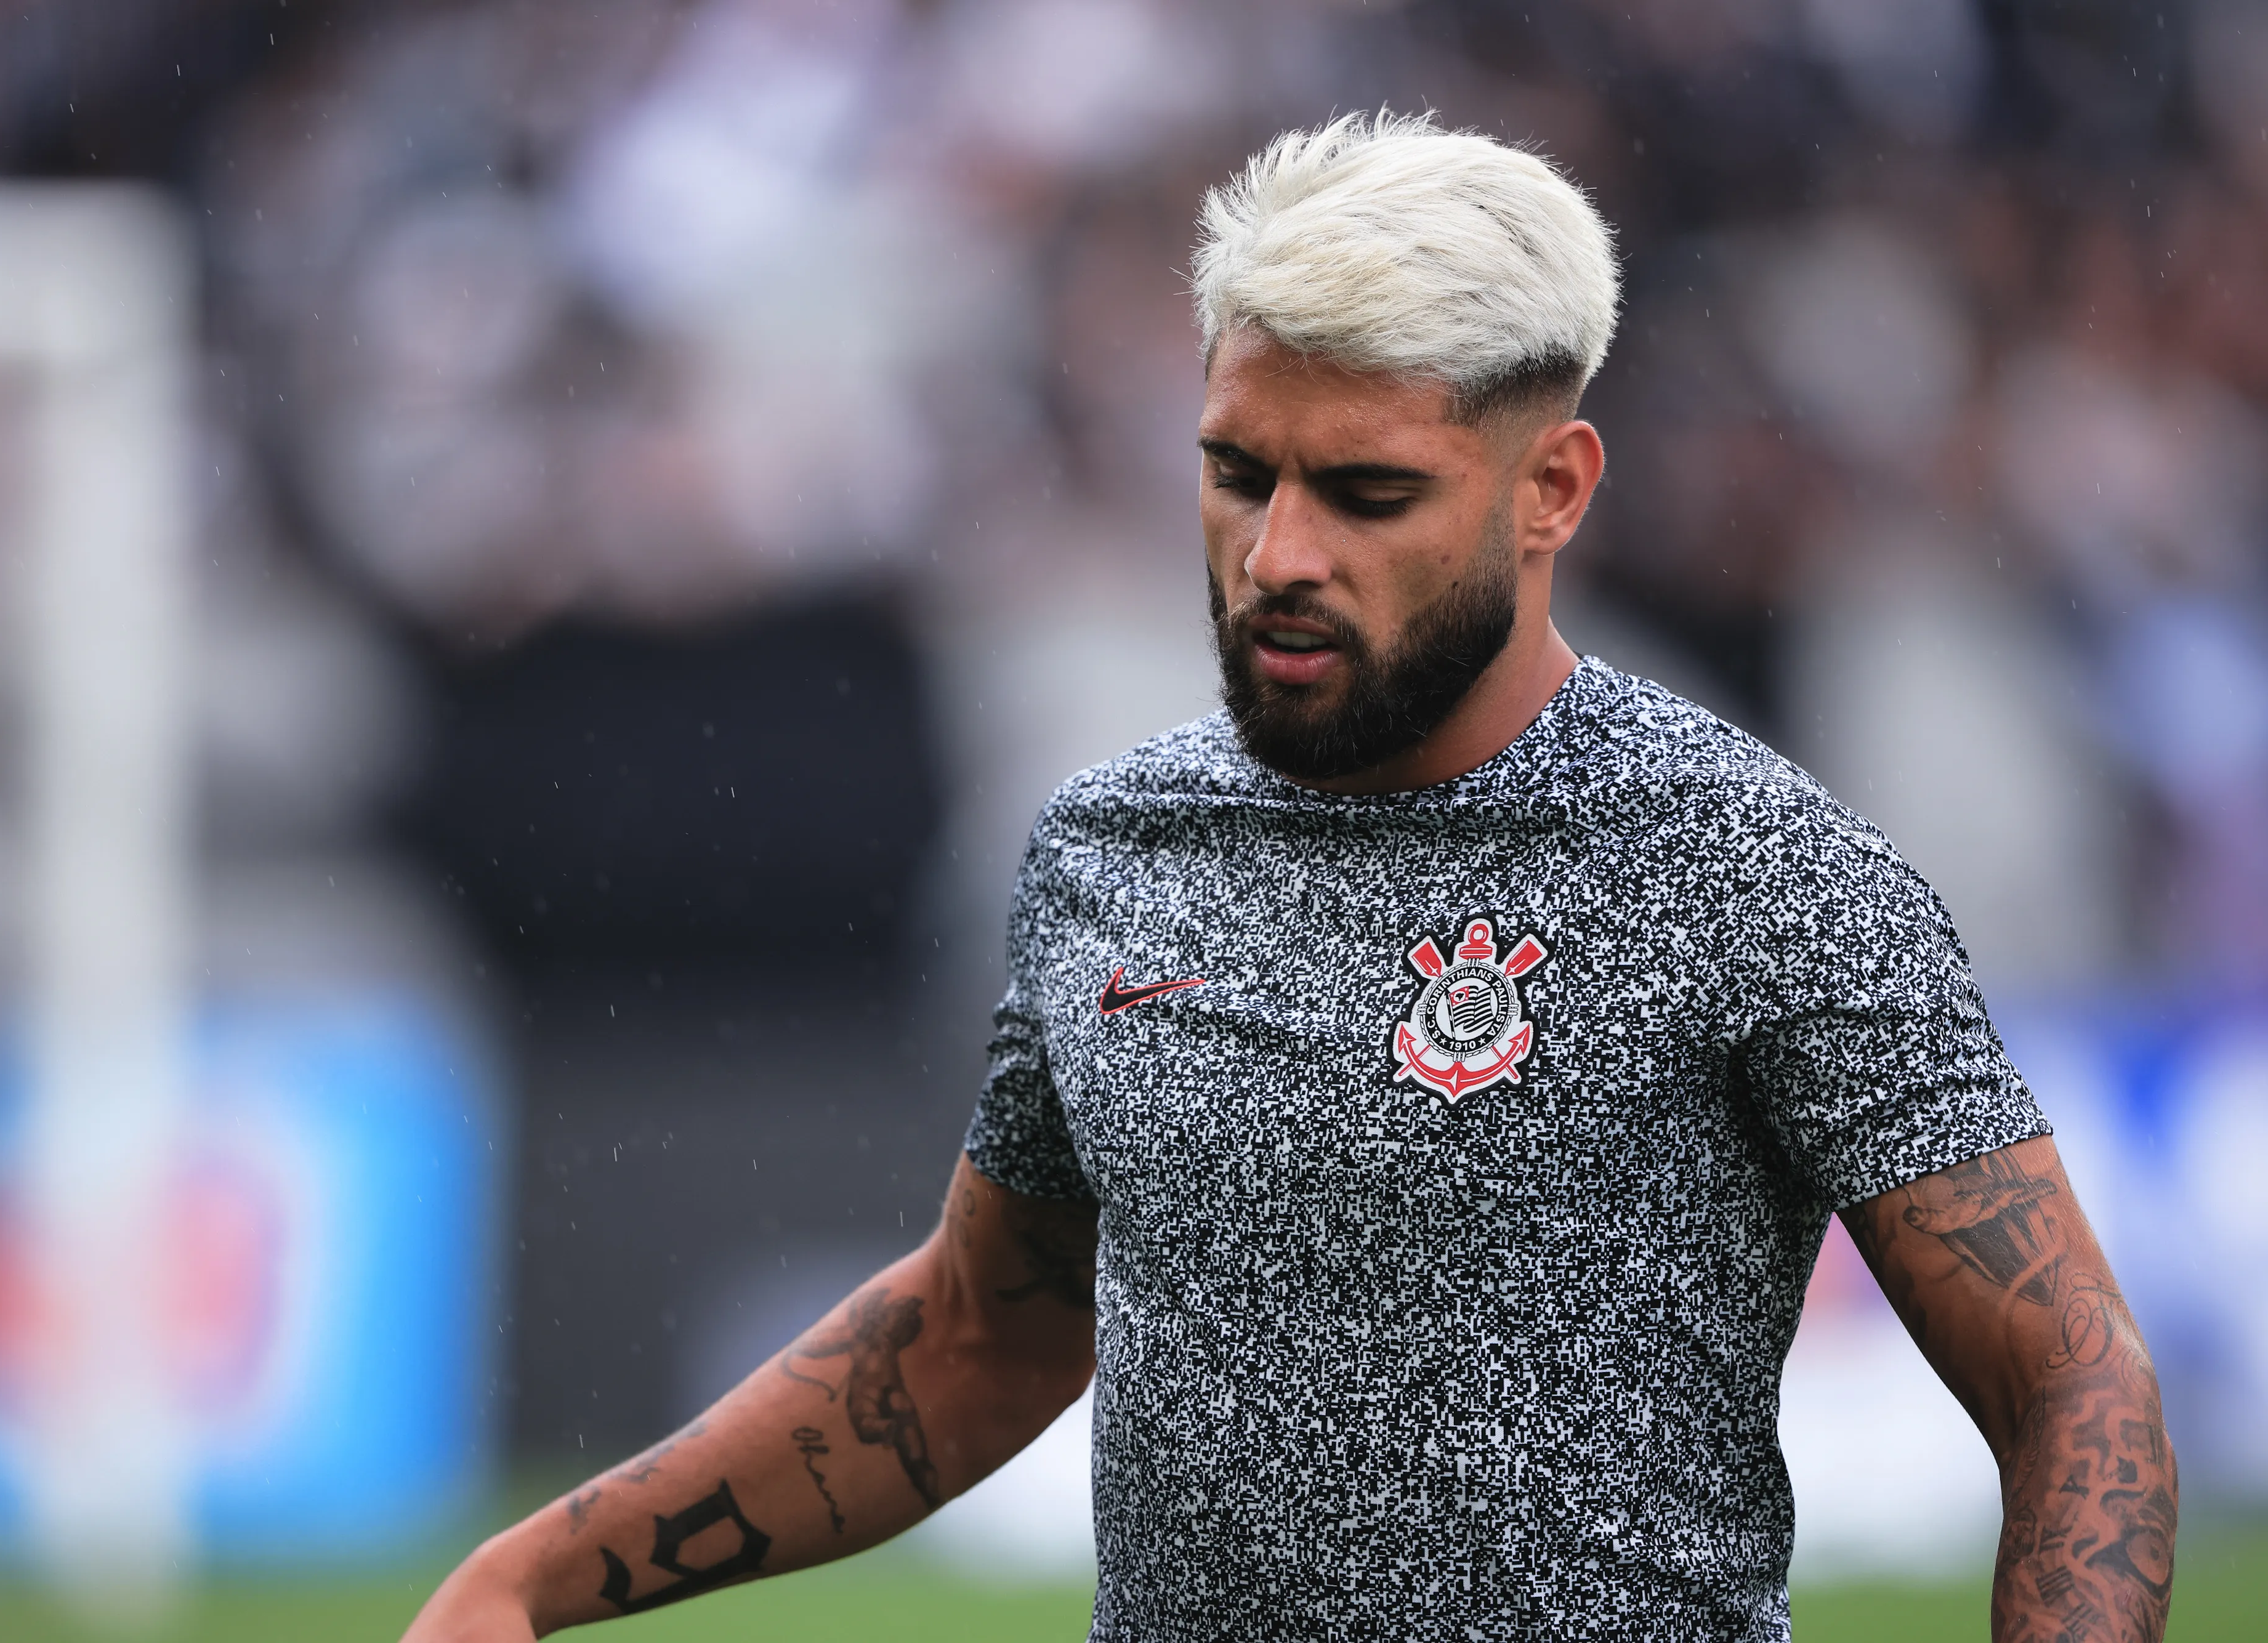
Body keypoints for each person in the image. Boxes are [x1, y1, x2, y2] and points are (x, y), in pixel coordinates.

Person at [403, 112, 2175, 1641]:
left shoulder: (1754, 863)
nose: (1280, 554)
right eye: (1237, 473)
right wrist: (530, 1577)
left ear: (1550, 487)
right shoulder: (1110, 852)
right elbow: (977, 1337)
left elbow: (2068, 1370)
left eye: (1368, 491)